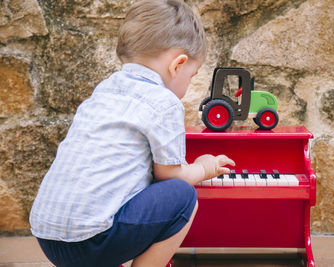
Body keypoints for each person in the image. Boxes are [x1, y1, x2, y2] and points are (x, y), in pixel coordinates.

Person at [29, 1, 235, 266]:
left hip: (48, 236)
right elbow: (169, 174)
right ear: (178, 64)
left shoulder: (104, 90)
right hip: (92, 241)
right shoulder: (164, 101)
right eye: (192, 75)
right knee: (183, 196)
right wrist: (203, 168)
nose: (189, 82)